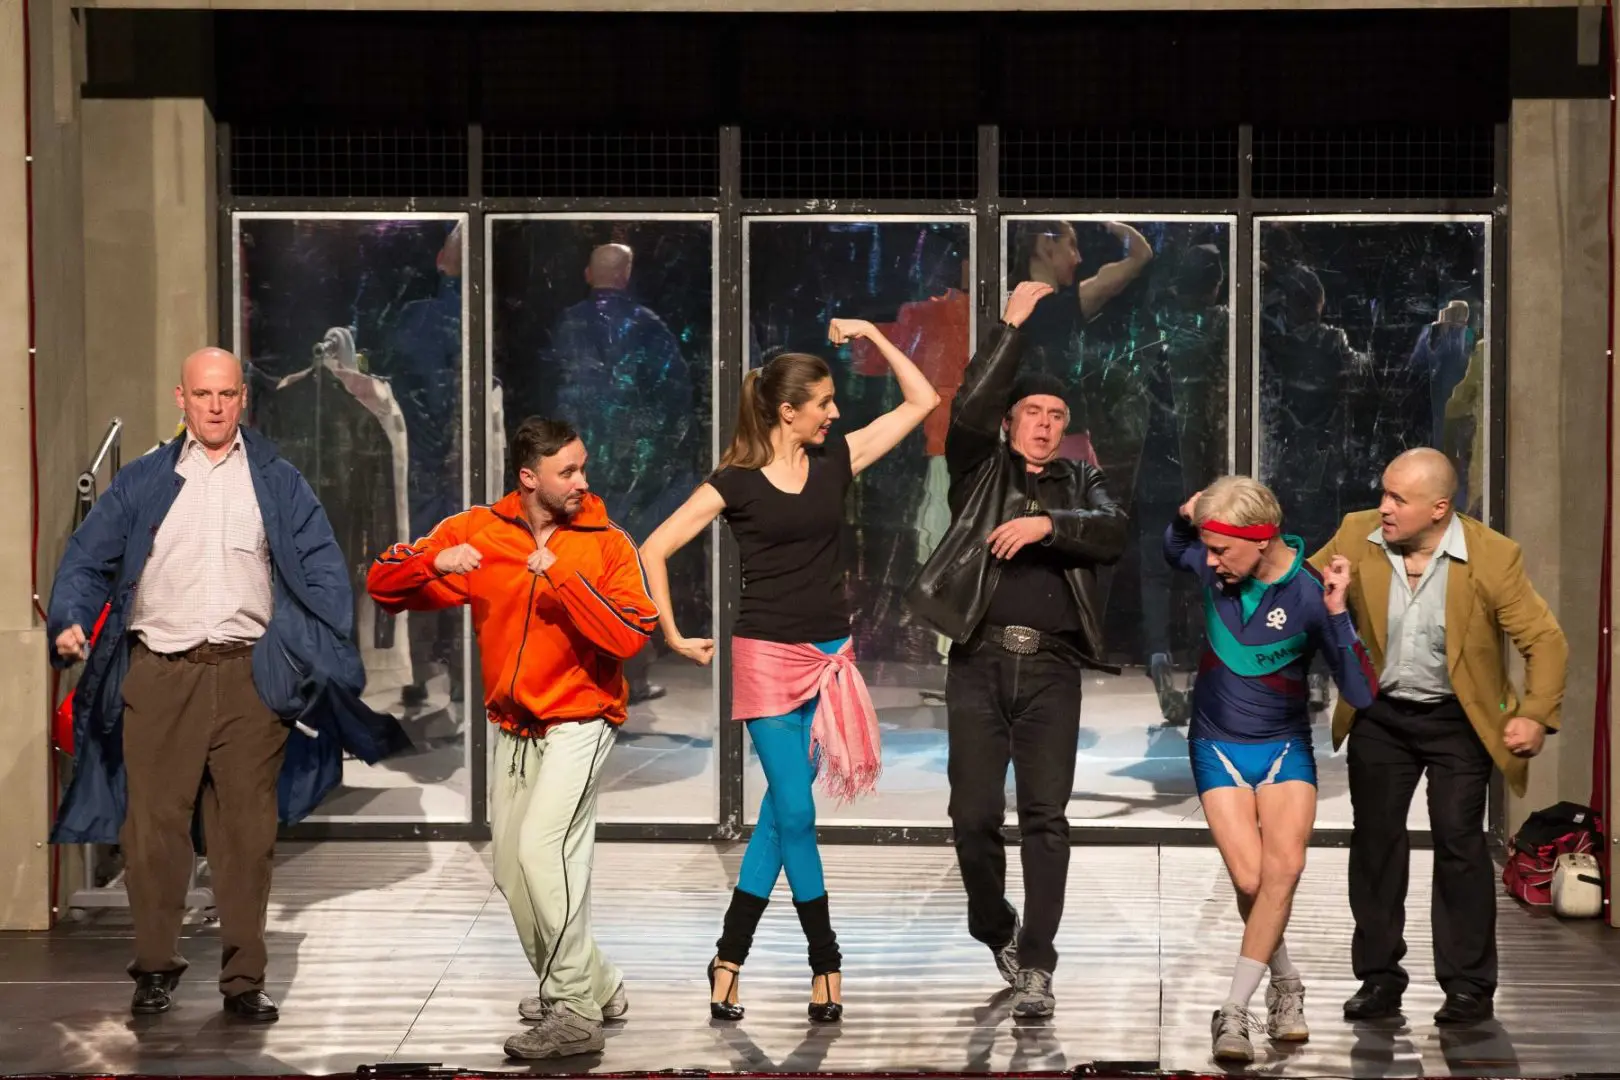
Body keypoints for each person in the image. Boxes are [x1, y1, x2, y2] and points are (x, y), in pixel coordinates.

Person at [46, 347, 407, 1023]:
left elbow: (325, 572)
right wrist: (69, 619)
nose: (215, 406)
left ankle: (244, 979)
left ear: (243, 398)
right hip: (160, 674)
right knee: (153, 834)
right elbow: (87, 560)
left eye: (227, 394)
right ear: (181, 399)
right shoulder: (144, 480)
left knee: (246, 835)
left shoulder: (277, 479)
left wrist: (297, 654)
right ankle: (155, 967)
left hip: (249, 678)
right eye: (203, 394)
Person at [638, 319, 939, 1023]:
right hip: (767, 659)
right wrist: (673, 635)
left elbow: (923, 400)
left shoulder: (836, 459)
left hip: (829, 658)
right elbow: (654, 547)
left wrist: (874, 334)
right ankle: (826, 962)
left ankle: (727, 959)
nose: (834, 412)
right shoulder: (736, 483)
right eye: (824, 402)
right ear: (787, 410)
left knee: (782, 812)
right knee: (797, 810)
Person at [367, 417, 657, 1060]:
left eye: (583, 467)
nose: (582, 481)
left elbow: (632, 635)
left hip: (582, 719)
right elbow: (383, 587)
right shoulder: (480, 531)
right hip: (513, 726)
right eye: (567, 471)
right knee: (511, 868)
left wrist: (565, 582)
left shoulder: (607, 543)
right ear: (529, 477)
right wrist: (433, 561)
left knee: (541, 851)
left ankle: (573, 1008)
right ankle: (596, 985)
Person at [904, 281, 1128, 1020]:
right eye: (1033, 412)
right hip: (980, 662)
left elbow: (1112, 530)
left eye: (1056, 416)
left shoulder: (1080, 480)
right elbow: (967, 409)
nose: (1045, 424)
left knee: (1045, 818)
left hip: (1053, 670)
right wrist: (1009, 329)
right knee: (972, 817)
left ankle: (1037, 963)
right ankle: (996, 927)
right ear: (1009, 423)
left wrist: (1047, 525)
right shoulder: (980, 469)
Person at [1309, 448, 1568, 1026]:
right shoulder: (1356, 534)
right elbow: (1303, 589)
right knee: (1376, 841)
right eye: (1383, 493)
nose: (1384, 507)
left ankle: (1468, 986)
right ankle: (1379, 978)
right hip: (1381, 713)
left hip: (1457, 718)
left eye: (1398, 499)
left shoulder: (1492, 556)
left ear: (1439, 508)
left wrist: (1533, 713)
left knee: (1458, 840)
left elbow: (1545, 640)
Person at [1165, 476, 1379, 1063]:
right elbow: (1173, 546)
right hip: (1217, 747)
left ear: (1260, 539)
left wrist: (1338, 613)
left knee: (1284, 870)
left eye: (1220, 549)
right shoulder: (1215, 568)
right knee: (1253, 882)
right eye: (1208, 549)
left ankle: (1233, 1010)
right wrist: (1186, 514)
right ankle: (1285, 982)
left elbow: (1361, 691)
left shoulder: (1312, 592)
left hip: (1284, 749)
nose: (1210, 561)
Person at [551, 242, 694, 706]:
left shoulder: (566, 324)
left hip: (573, 470)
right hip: (634, 471)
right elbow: (675, 398)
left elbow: (548, 389)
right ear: (626, 275)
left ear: (587, 273)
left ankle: (576, 670)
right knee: (627, 565)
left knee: (573, 563)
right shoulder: (649, 327)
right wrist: (655, 462)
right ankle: (631, 670)